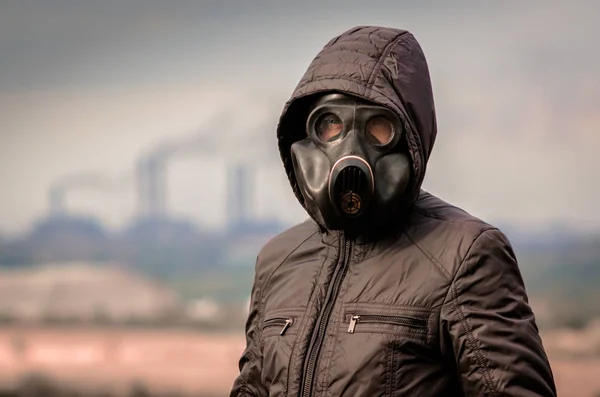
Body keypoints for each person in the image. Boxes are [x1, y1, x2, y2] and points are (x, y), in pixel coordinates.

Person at [230, 25, 556, 397]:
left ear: (411, 139)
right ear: (304, 137)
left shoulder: (465, 255)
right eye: (330, 124)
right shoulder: (278, 261)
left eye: (379, 127)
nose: (349, 147)